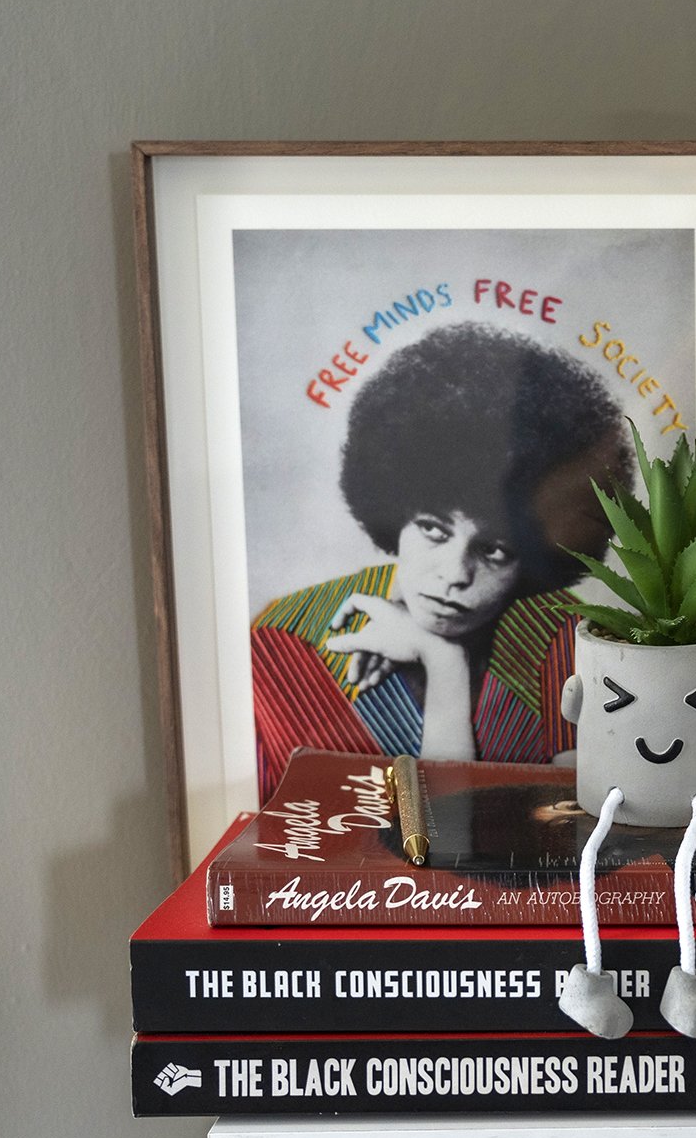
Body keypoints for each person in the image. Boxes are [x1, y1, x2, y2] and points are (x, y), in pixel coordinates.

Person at [249, 322, 630, 800]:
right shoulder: (285, 642)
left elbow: (571, 826)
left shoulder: (560, 635)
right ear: (395, 512)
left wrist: (443, 662)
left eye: (495, 550)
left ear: (534, 558)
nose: (454, 575)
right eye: (433, 529)